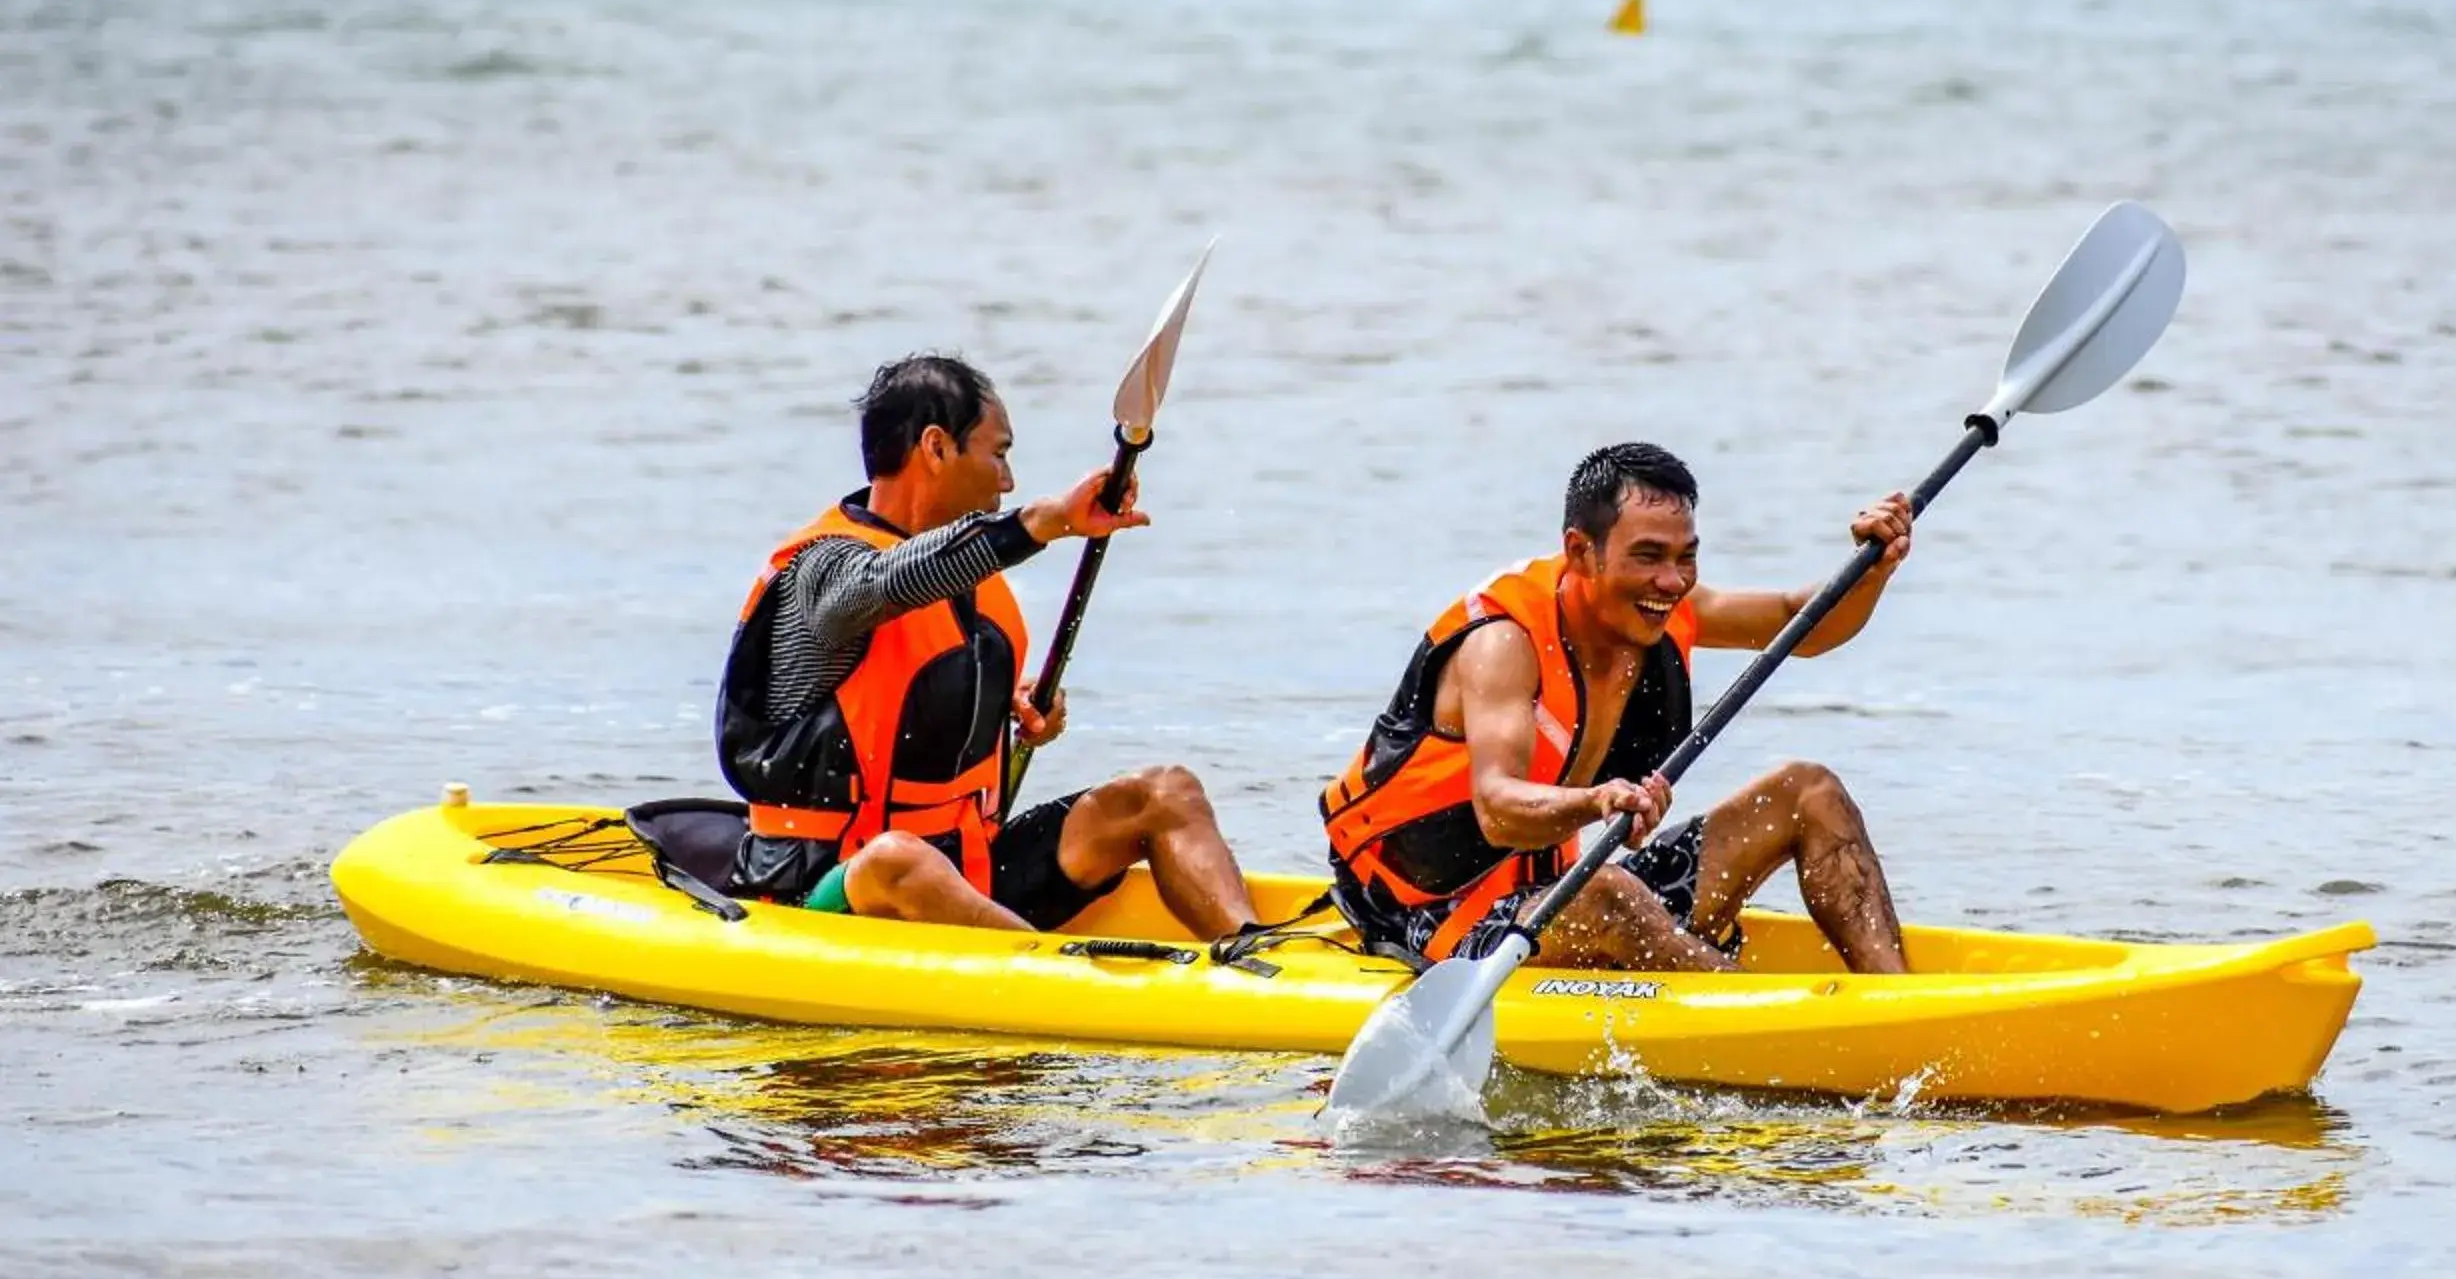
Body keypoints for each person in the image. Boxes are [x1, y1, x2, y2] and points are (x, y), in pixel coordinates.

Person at [1320, 442, 1914, 976]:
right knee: (1608, 894)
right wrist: (1599, 800)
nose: (1671, 580)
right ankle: (1768, 1026)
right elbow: (1498, 807)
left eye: (1686, 557)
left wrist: (1872, 568)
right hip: (1424, 914)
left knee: (1808, 791)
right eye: (1648, 556)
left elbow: (1801, 623)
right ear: (1581, 551)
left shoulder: (1668, 605)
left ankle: (1897, 1010)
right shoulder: (1502, 643)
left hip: (1558, 892)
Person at [717, 353, 1255, 938]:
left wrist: (1018, 703)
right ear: (936, 447)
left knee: (1163, 792)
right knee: (900, 858)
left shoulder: (970, 578)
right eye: (998, 453)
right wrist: (1044, 521)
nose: (1008, 480)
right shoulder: (825, 570)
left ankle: (1256, 957)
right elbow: (887, 582)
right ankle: (1050, 981)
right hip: (827, 891)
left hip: (969, 876)